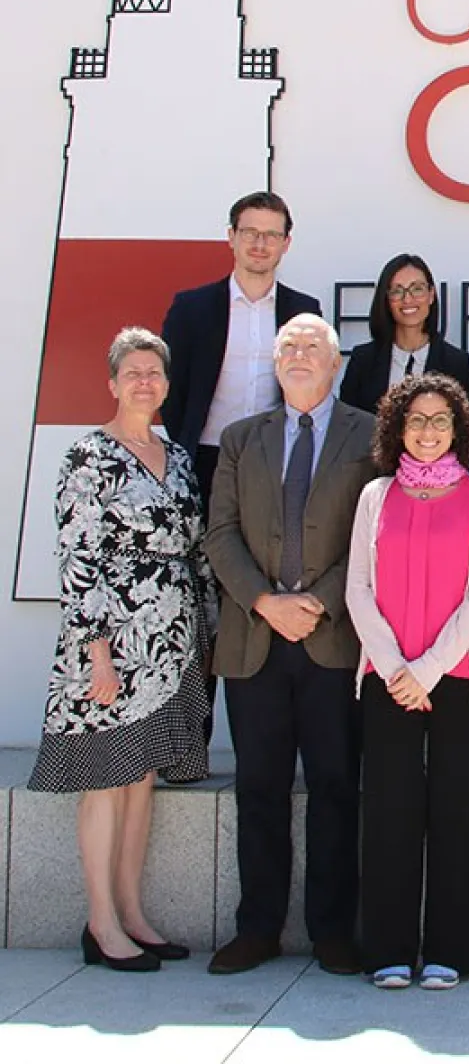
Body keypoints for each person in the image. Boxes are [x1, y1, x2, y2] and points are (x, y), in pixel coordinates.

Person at [29, 327, 214, 971]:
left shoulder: (179, 456)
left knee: (140, 781)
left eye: (154, 373)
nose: (145, 382)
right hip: (113, 644)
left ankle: (133, 912)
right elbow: (78, 559)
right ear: (112, 383)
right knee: (104, 782)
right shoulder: (88, 456)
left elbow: (195, 551)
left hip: (173, 642)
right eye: (132, 372)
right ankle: (101, 923)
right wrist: (97, 653)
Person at [205, 314, 378, 977]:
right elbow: (219, 533)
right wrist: (264, 601)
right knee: (260, 787)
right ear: (274, 364)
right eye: (289, 347)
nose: (300, 355)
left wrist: (320, 603)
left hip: (332, 640)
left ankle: (333, 931)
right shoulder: (241, 437)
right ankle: (259, 929)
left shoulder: (368, 433)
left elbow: (373, 529)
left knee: (337, 786)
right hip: (255, 641)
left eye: (314, 347)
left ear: (336, 365)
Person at [345, 373, 469, 989]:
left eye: (441, 420)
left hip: (459, 675)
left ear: (458, 429)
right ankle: (387, 950)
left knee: (458, 812)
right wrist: (395, 669)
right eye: (417, 420)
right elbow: (357, 587)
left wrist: (430, 670)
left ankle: (448, 951)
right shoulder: (375, 496)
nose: (429, 431)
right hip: (389, 680)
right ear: (398, 429)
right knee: (390, 811)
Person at [161, 190, 321, 509]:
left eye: (271, 235)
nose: (260, 245)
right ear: (231, 236)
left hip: (275, 461)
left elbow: (313, 389)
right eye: (250, 233)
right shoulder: (192, 308)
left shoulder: (303, 310)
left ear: (286, 243)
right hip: (205, 458)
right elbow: (170, 388)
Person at [338, 253, 469, 415]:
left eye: (417, 289)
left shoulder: (456, 363)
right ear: (386, 299)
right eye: (397, 291)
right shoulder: (363, 360)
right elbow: (348, 426)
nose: (408, 299)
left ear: (431, 295)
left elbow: (465, 431)